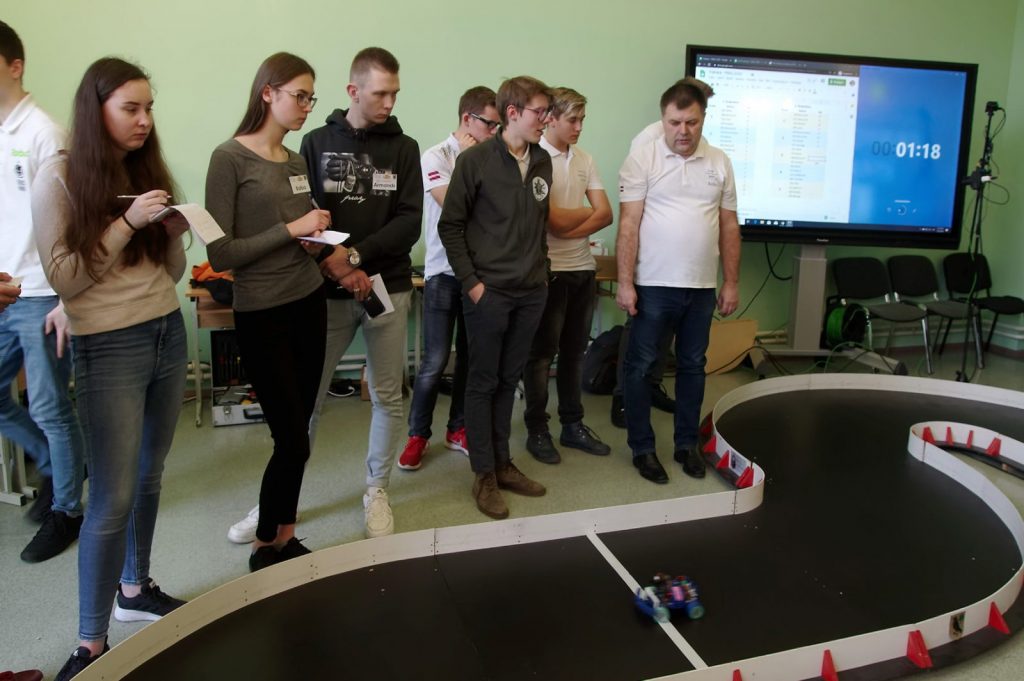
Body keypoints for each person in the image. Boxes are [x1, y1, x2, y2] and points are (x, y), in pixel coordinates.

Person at [33, 57, 190, 680]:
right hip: (109, 344)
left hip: (166, 330)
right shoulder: (60, 177)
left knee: (150, 476)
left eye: (149, 108)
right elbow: (65, 278)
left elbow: (170, 272)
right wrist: (127, 223)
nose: (144, 121)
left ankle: (135, 587)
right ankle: (90, 643)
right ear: (94, 109)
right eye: (131, 108)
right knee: (111, 497)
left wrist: (172, 232)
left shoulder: (145, 170)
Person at [206, 53, 330, 572]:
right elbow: (220, 253)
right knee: (291, 438)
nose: (306, 106)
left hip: (309, 300)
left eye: (311, 98)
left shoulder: (297, 160)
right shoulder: (228, 158)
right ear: (267, 93)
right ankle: (263, 545)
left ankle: (286, 535)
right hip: (263, 312)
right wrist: (292, 230)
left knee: (299, 431)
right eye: (299, 96)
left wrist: (315, 236)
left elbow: (297, 234)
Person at [300, 46, 422, 538]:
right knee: (307, 400)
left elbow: (409, 222)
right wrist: (334, 266)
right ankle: (282, 496)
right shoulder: (315, 142)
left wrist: (353, 257)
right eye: (380, 94)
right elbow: (304, 215)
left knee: (387, 396)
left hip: (386, 287)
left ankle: (377, 489)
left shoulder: (405, 148)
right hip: (326, 291)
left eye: (395, 94)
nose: (389, 103)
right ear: (353, 90)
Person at [615, 77, 740, 484]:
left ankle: (686, 445)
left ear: (703, 119)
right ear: (663, 120)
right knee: (641, 367)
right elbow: (628, 224)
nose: (683, 131)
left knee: (692, 366)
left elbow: (729, 224)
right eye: (674, 123)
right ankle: (642, 448)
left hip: (701, 287)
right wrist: (625, 283)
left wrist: (731, 282)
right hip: (653, 284)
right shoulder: (643, 159)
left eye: (691, 122)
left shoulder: (719, 161)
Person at [438, 76, 552, 519]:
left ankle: (503, 463)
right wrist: (473, 284)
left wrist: (541, 275)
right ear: (513, 113)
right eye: (539, 112)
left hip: (530, 291)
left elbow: (538, 222)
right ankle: (483, 473)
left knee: (509, 380)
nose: (546, 120)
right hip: (489, 292)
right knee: (482, 383)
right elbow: (451, 226)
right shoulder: (476, 161)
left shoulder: (541, 160)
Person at [0, 20, 86, 563]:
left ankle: (68, 510)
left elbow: (74, 222)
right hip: (4, 290)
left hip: (39, 293)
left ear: (15, 66)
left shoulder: (45, 134)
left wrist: (65, 300)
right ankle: (59, 466)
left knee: (52, 406)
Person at [397, 86, 499, 471]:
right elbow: (455, 204)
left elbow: (497, 210)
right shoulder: (436, 155)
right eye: (490, 123)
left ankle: (458, 429)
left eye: (498, 125)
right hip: (442, 272)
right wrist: (470, 161)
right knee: (435, 359)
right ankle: (417, 435)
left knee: (470, 358)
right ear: (467, 119)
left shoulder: (493, 158)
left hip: (478, 273)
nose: (495, 131)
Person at [522, 87, 612, 464]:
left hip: (582, 269)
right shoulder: (535, 158)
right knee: (541, 356)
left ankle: (572, 425)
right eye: (572, 120)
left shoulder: (584, 158)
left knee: (575, 353)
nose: (579, 127)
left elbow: (606, 213)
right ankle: (537, 429)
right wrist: (582, 217)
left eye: (582, 120)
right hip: (549, 272)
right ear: (552, 119)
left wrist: (569, 225)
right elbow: (554, 220)